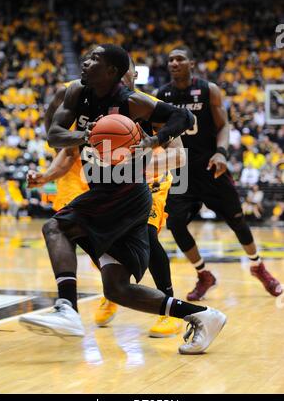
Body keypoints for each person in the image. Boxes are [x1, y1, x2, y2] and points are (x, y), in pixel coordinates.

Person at [19, 44, 226, 354]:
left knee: (55, 228)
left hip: (127, 190)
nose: (85, 62)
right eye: (86, 57)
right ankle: (202, 316)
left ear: (114, 72)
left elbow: (182, 118)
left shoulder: (132, 102)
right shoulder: (77, 92)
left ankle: (67, 308)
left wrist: (152, 141)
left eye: (94, 59)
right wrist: (88, 136)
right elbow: (55, 135)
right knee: (117, 288)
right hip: (105, 190)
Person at [29, 57, 185, 337]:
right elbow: (68, 153)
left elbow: (178, 155)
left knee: (148, 235)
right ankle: (113, 290)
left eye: (125, 75)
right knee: (94, 235)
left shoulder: (145, 104)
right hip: (110, 184)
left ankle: (168, 308)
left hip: (151, 178)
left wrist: (134, 167)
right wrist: (46, 176)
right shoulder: (92, 106)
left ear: (134, 75)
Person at [153, 46, 282, 300]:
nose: (174, 63)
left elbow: (223, 125)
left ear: (192, 63)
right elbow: (161, 132)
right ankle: (204, 275)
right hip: (181, 172)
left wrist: (221, 152)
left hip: (211, 167)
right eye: (170, 60)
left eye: (180, 59)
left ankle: (258, 266)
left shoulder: (208, 89)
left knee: (237, 220)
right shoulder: (162, 94)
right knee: (176, 223)